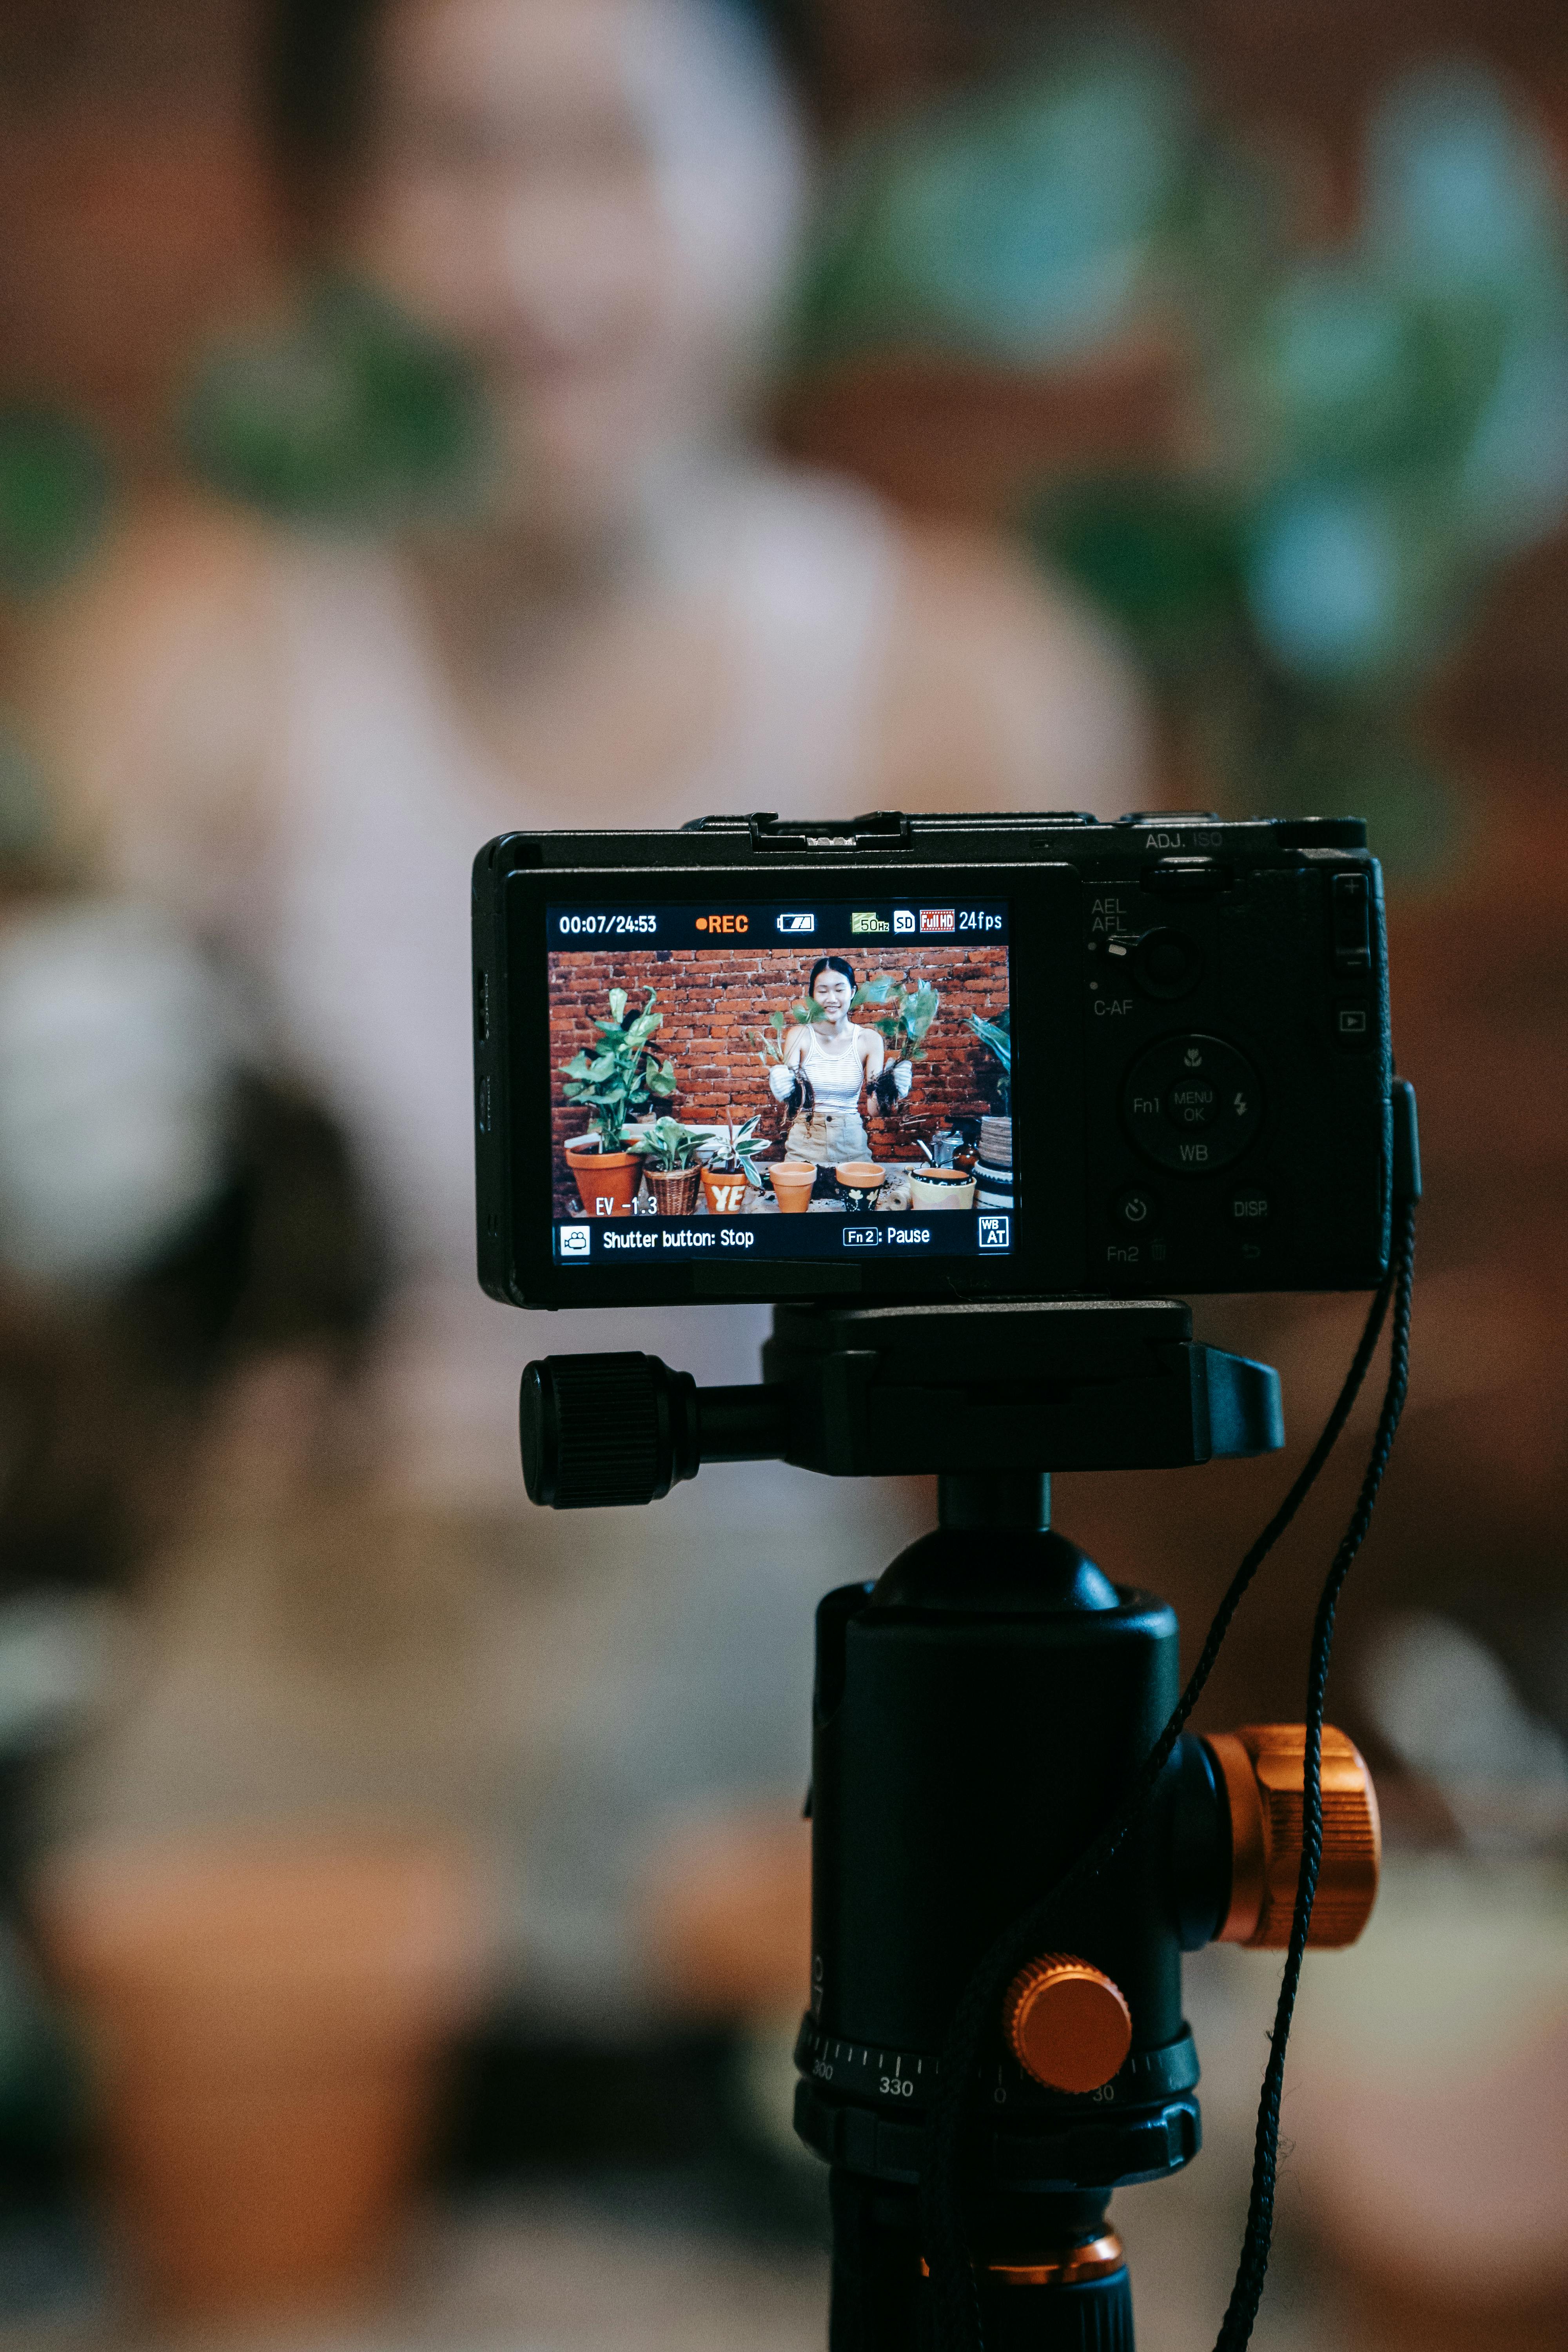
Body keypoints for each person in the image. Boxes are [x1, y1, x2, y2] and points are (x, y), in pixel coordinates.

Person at [19, 0, 1152, 2016]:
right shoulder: (179, 660)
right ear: (330, 219)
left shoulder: (970, 687)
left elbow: (1087, 1321)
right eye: (455, 158)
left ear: (791, 177)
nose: (536, 265)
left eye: (621, 151)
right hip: (296, 1656)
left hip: (777, 1659)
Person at [768, 954, 906, 1171]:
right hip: (805, 1144)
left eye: (840, 990)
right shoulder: (799, 1036)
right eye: (823, 991)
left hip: (852, 1146)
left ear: (852, 992)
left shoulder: (869, 1040)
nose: (831, 999)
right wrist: (783, 1091)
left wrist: (891, 1089)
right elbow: (794, 1104)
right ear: (813, 996)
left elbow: (875, 1110)